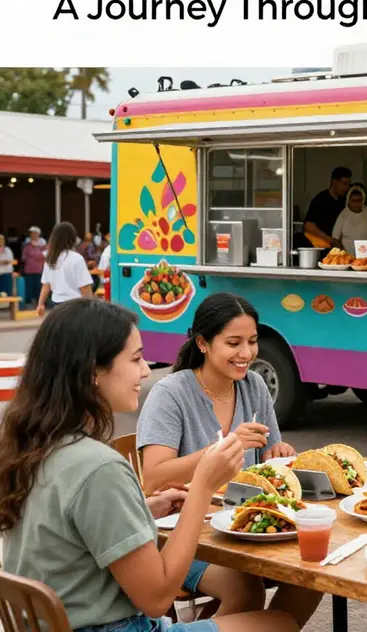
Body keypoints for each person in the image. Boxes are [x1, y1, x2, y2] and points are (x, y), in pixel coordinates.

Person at [0, 299, 297, 632]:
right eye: (136, 359)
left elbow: (72, 527)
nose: (145, 371)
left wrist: (141, 508)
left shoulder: (34, 447)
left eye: (252, 341)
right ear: (92, 371)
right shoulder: (99, 467)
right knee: (280, 623)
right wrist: (202, 487)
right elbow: (157, 598)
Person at [137, 293, 322, 629]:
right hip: (183, 537)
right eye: (234, 343)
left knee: (314, 571)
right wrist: (223, 448)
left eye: (252, 341)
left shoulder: (254, 386)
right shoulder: (171, 394)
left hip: (245, 525)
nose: (247, 353)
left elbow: (269, 459)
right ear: (203, 343)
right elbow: (153, 478)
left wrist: (279, 455)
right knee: (245, 589)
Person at [37, 221, 94, 314]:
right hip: (75, 305)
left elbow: (46, 285)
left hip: (56, 305)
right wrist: (91, 308)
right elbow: (85, 287)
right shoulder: (77, 258)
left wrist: (40, 304)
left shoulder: (50, 259)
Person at [303, 166, 352, 248]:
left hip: (341, 245)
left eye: (348, 185)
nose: (347, 187)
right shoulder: (320, 200)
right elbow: (308, 226)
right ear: (334, 182)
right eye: (344, 184)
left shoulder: (345, 201)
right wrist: (330, 240)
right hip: (323, 246)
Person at [332, 184, 367, 255]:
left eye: (359, 200)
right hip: (348, 257)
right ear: (349, 201)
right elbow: (335, 239)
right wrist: (343, 254)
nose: (356, 203)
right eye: (353, 201)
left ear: (363, 200)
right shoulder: (343, 215)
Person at [21, 225, 47, 308]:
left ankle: (40, 303)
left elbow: (44, 256)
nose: (32, 235)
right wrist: (37, 256)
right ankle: (30, 303)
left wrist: (33, 256)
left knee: (39, 287)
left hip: (40, 270)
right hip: (29, 270)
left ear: (38, 234)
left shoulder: (43, 245)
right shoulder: (27, 245)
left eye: (34, 233)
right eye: (31, 233)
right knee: (30, 287)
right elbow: (23, 258)